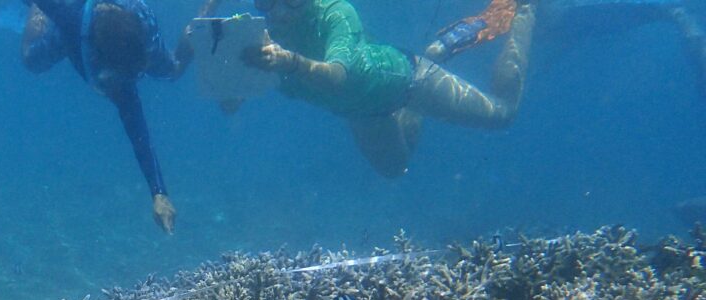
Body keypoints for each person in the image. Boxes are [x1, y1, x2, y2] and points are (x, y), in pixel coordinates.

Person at [216, 0, 535, 177]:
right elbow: (231, 105)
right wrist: (227, 73)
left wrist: (291, 62)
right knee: (395, 170)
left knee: (503, 114)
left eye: (293, 0)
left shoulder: (336, 13)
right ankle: (437, 52)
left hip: (406, 80)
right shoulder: (261, 37)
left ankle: (523, 12)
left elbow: (338, 76)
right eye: (267, 2)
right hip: (362, 111)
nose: (280, 12)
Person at [21, 0, 204, 234]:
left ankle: (199, 25)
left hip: (132, 26)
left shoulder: (143, 31)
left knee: (173, 71)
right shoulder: (70, 19)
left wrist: (159, 193)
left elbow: (136, 122)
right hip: (77, 22)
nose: (120, 89)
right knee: (31, 60)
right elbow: (134, 120)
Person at [428, 0, 706, 97]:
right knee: (668, 11)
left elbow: (487, 22)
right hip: (565, 22)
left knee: (670, 10)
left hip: (567, 19)